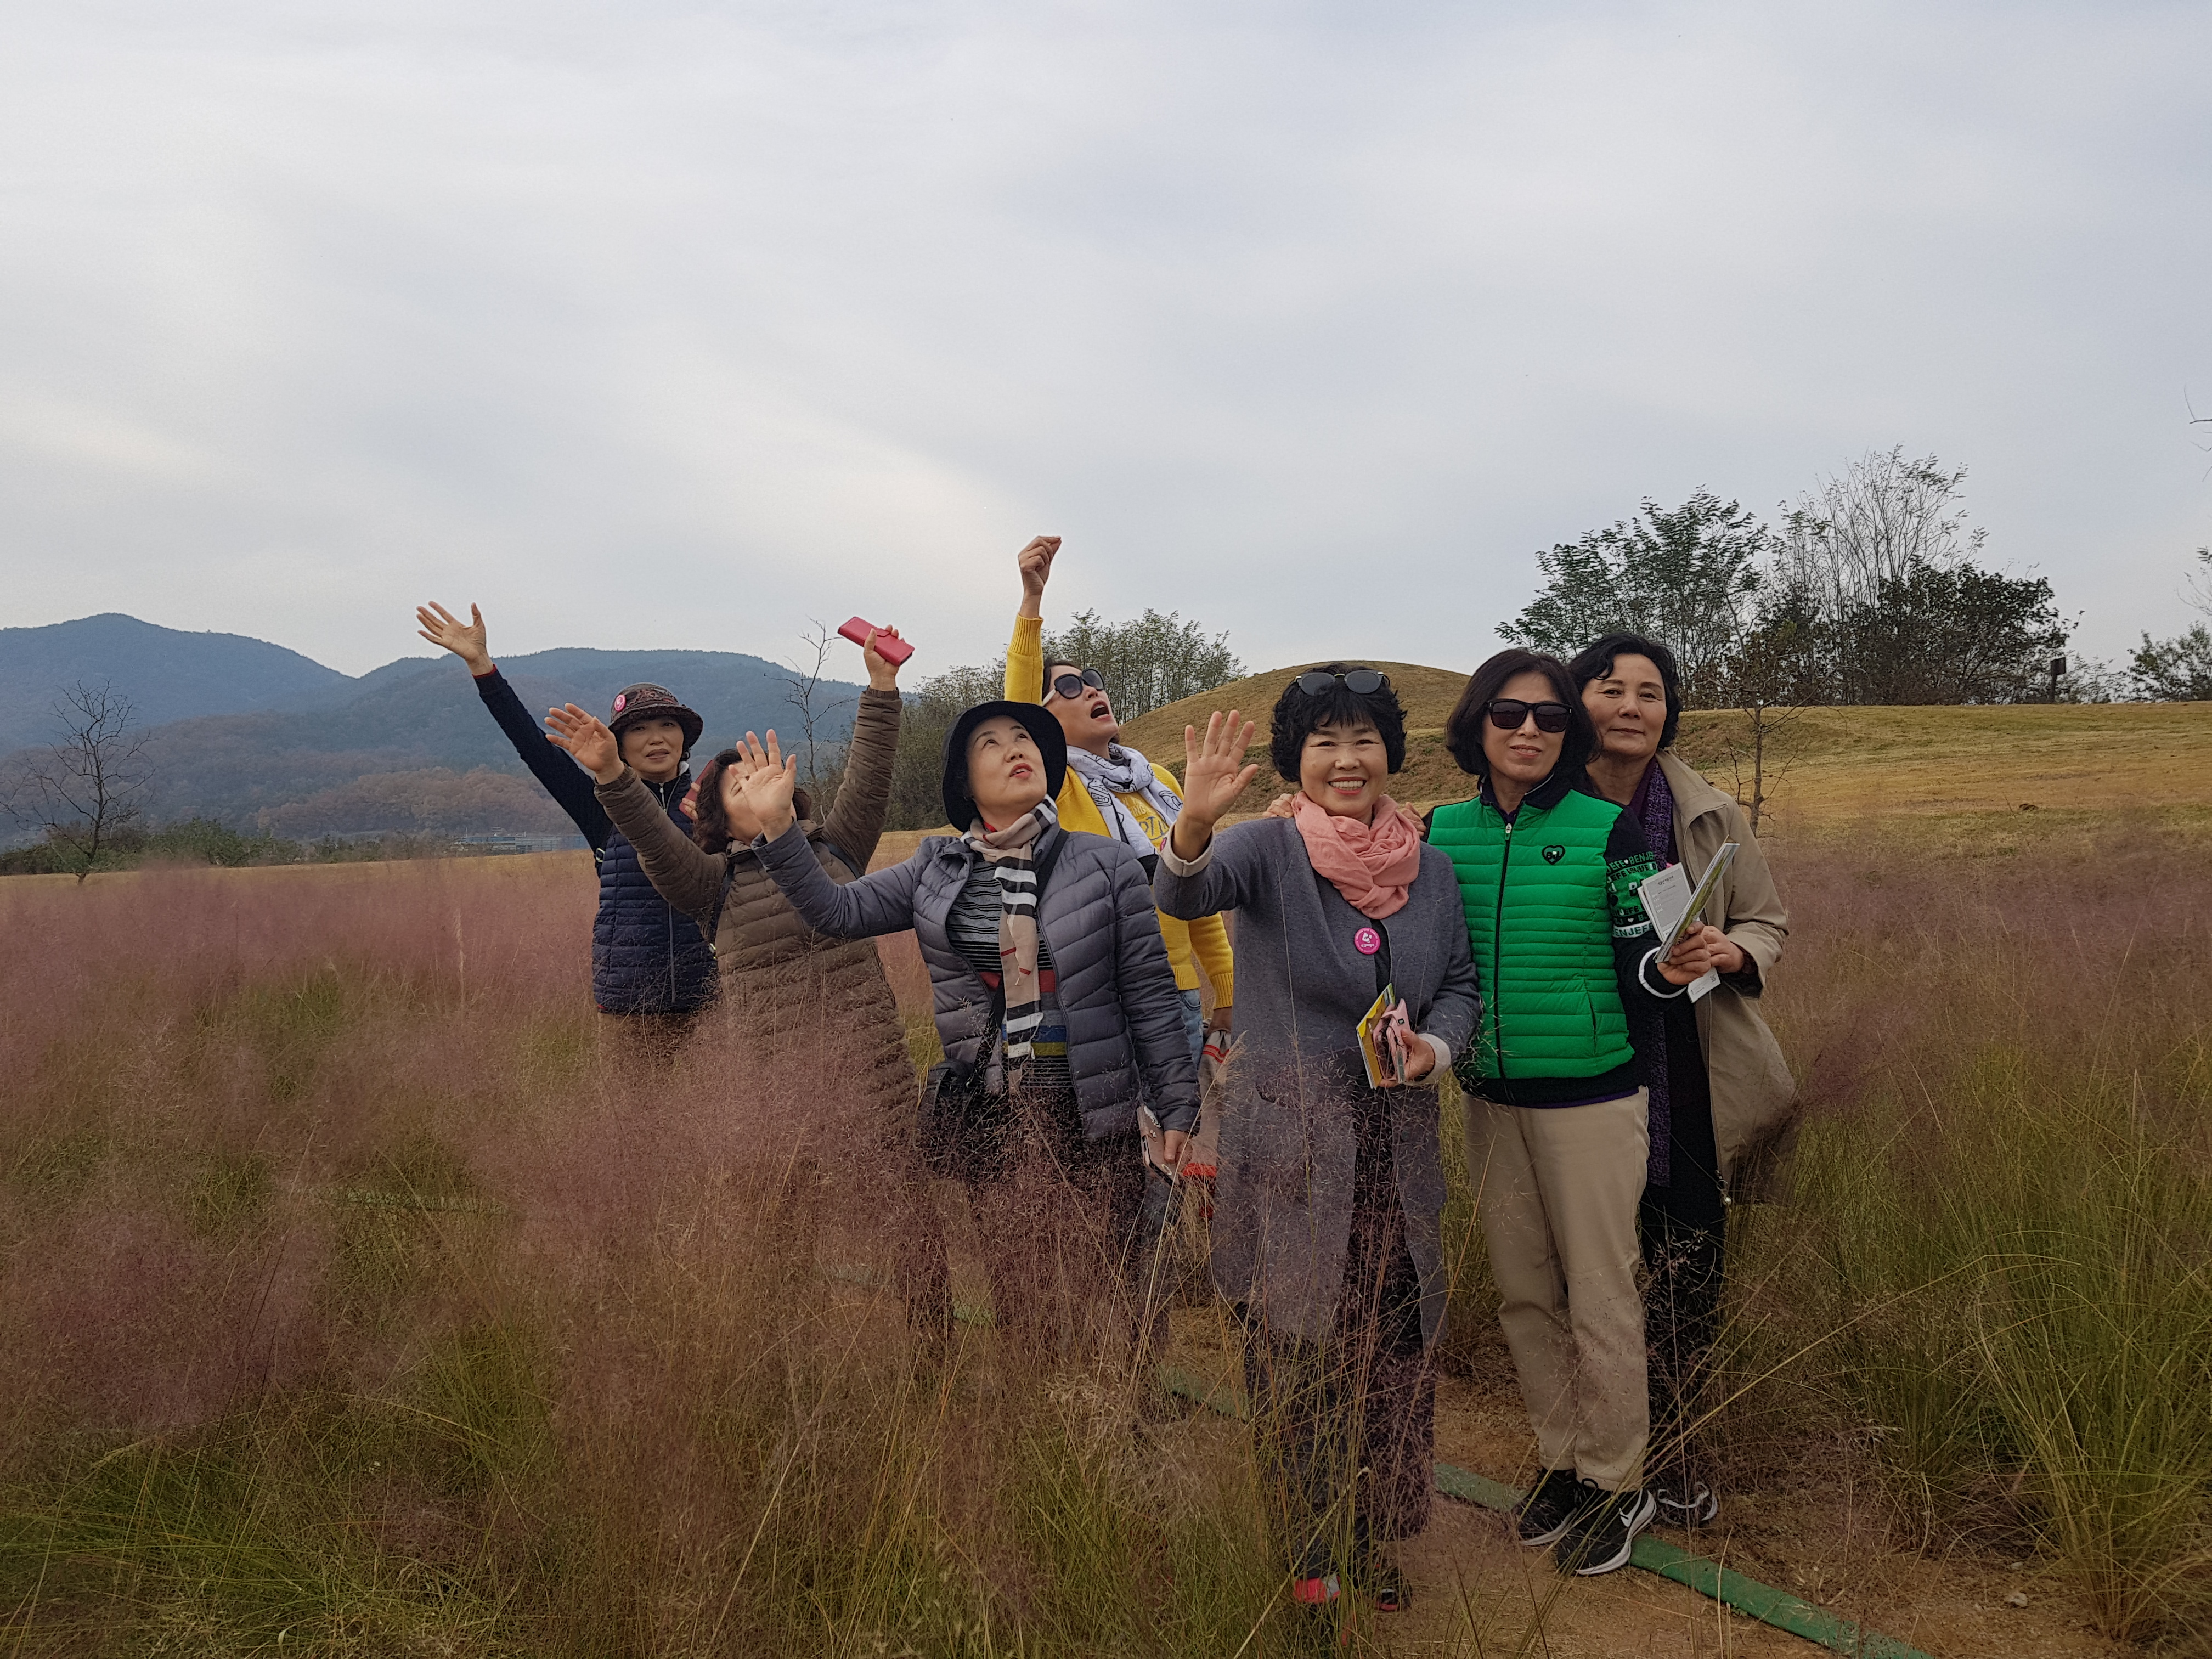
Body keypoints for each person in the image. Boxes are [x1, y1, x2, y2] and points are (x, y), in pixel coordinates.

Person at [1153, 667, 1482, 1618]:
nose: (1346, 759)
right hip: (1290, 1147)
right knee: (1297, 1348)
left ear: (1391, 752)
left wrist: (1435, 1048)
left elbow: (1460, 983)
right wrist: (1192, 822)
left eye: (1364, 739)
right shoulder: (1264, 847)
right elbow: (1183, 892)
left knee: (1390, 1345)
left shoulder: (1431, 867)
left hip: (1394, 1143)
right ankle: (1309, 1555)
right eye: (1324, 742)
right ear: (1296, 759)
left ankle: (1371, 1530)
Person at [734, 699, 1199, 1370]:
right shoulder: (936, 866)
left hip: (1097, 1109)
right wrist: (779, 829)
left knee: (1120, 1279)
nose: (1016, 749)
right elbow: (836, 912)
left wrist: (1178, 1105)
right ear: (964, 782)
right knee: (1020, 1287)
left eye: (1024, 738)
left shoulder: (1106, 864)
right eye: (991, 744)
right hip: (995, 1112)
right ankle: (1040, 1402)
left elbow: (1151, 996)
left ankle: (1131, 1404)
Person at [542, 627, 952, 1342]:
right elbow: (652, 839)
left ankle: (933, 1351)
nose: (758, 785)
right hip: (776, 1094)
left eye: (765, 775)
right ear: (713, 817)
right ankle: (780, 1354)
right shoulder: (712, 887)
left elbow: (870, 774)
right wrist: (611, 776)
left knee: (909, 1223)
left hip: (872, 1076)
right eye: (739, 785)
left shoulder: (835, 851)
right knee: (780, 1229)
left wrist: (882, 689)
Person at [1425, 648, 1714, 1576]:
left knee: (1600, 1294)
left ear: (1570, 733)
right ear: (1477, 724)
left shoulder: (1610, 830)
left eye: (1550, 718)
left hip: (1592, 1099)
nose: (1529, 731)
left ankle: (1616, 1479)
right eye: (1509, 714)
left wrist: (1667, 968)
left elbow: (1644, 964)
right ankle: (1560, 1460)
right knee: (1523, 1294)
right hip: (1490, 1099)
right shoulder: (1438, 832)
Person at [1569, 632, 1793, 1529]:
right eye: (1609, 687)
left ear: (1669, 712)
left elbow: (1767, 919)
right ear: (1575, 701)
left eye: (1650, 692)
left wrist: (1734, 949)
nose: (1630, 706)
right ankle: (1600, 1448)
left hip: (1690, 1066)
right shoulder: (1541, 805)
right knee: (1592, 1268)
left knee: (1689, 1260)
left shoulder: (1710, 812)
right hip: (1582, 1066)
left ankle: (1678, 1440)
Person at [416, 601, 715, 1063]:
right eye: (639, 728)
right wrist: (483, 667)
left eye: (667, 725)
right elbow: (533, 747)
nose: (656, 737)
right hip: (631, 1001)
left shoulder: (713, 802)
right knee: (637, 1105)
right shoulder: (601, 807)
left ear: (684, 738)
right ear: (616, 745)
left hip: (713, 997)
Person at [1006, 536, 1235, 1076]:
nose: (1090, 690)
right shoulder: (1057, 785)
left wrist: (1224, 988)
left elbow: (1194, 889)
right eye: (1068, 686)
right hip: (1099, 996)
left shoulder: (1158, 782)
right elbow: (1017, 714)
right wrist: (1032, 603)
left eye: (1093, 681)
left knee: (1179, 1125)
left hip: (1176, 995)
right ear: (1043, 716)